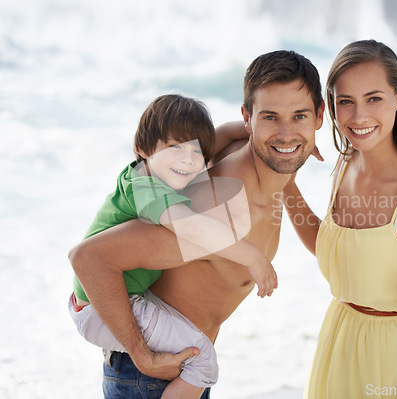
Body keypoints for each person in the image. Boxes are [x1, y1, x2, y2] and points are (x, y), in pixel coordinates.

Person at [69, 50, 325, 398]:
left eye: (299, 117)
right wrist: (143, 357)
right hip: (152, 375)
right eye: (270, 118)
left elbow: (318, 242)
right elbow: (89, 258)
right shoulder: (218, 206)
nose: (285, 132)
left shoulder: (271, 164)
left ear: (320, 117)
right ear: (248, 119)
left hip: (181, 370)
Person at [283, 40, 397, 398]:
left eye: (374, 98)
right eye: (346, 102)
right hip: (337, 344)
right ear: (331, 106)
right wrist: (286, 186)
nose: (358, 117)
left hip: (389, 363)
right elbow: (332, 248)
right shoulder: (345, 166)